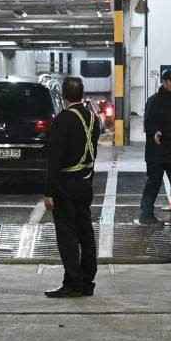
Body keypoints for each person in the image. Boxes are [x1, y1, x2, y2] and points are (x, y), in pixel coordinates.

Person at [41, 78, 101, 298]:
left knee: (67, 235)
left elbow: (54, 159)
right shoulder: (93, 118)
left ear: (64, 96)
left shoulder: (63, 119)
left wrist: (49, 191)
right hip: (85, 182)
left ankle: (72, 282)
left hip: (66, 185)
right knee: (85, 232)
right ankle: (87, 280)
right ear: (81, 94)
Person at [139, 71, 171, 224]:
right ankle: (146, 215)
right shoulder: (153, 101)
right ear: (164, 82)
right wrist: (155, 132)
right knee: (155, 183)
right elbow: (147, 123)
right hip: (158, 151)